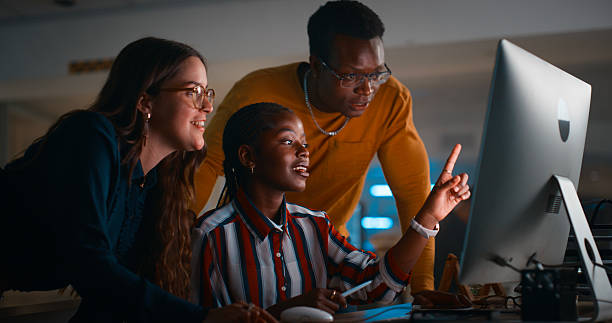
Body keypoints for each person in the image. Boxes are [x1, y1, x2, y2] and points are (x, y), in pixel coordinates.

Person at [0, 37, 275, 323]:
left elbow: (113, 294)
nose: (207, 106)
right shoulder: (90, 135)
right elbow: (88, 263)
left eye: (208, 93)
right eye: (193, 92)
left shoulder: (154, 182)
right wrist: (202, 318)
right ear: (146, 101)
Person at [191, 0, 436, 293]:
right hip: (251, 243)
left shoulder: (391, 100)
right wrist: (174, 246)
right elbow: (204, 165)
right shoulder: (257, 92)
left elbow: (412, 192)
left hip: (323, 243)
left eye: (375, 74)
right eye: (351, 76)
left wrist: (424, 288)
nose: (367, 89)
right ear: (317, 65)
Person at [191, 103, 470, 318]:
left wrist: (429, 217)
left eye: (305, 143)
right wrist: (287, 312)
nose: (304, 151)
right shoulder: (210, 235)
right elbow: (204, 321)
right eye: (288, 141)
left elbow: (377, 285)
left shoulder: (315, 226)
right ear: (248, 156)